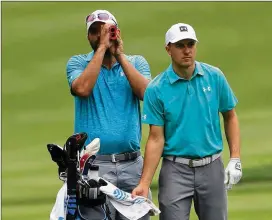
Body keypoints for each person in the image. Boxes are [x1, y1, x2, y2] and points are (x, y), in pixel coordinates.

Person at [132, 23, 242, 220]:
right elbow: (156, 139)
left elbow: (230, 116)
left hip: (212, 166)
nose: (187, 50)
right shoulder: (156, 89)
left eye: (190, 44)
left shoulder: (214, 77)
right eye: (180, 45)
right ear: (168, 49)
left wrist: (235, 158)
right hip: (175, 170)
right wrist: (145, 183)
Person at [66, 9, 152, 220]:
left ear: (118, 32)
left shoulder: (136, 62)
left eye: (106, 31)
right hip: (94, 166)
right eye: (95, 32)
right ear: (88, 37)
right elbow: (83, 88)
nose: (99, 35)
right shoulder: (77, 63)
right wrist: (103, 47)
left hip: (132, 165)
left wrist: (119, 55)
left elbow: (146, 94)